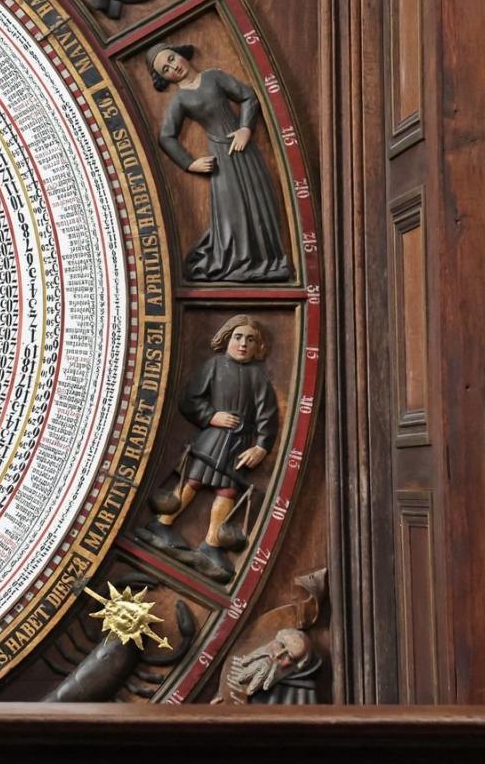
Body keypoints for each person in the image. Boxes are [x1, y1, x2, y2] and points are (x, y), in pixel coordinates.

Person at [136, 314, 279, 582]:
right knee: (193, 480)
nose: (243, 344)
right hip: (212, 437)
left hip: (239, 444)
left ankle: (211, 544)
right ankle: (162, 525)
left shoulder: (259, 379)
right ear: (226, 339)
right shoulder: (214, 366)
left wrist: (261, 447)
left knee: (227, 490)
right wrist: (211, 416)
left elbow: (267, 417)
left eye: (250, 340)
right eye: (237, 337)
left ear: (257, 347)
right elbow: (189, 398)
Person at [150, 43, 292, 283]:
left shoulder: (213, 76)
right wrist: (190, 163)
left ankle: (270, 259)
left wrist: (245, 128)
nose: (174, 67)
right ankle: (241, 261)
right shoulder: (181, 99)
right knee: (231, 210)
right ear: (165, 77)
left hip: (242, 148)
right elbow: (166, 136)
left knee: (258, 199)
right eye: (166, 69)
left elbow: (247, 95)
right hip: (219, 157)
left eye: (172, 59)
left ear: (181, 55)